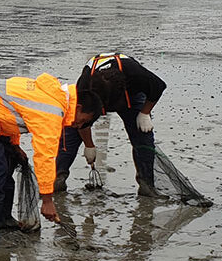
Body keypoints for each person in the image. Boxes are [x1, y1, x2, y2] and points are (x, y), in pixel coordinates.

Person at [0, 74, 103, 246]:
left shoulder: (55, 97)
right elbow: (45, 156)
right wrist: (47, 200)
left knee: (7, 168)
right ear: (78, 108)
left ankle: (3, 220)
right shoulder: (52, 111)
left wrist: (14, 145)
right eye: (83, 121)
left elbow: (12, 113)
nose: (78, 126)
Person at [53, 52, 168, 196]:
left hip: (130, 98)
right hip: (93, 97)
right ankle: (58, 178)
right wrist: (89, 145)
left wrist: (145, 113)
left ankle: (146, 184)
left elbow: (158, 87)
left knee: (142, 135)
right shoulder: (84, 85)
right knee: (72, 128)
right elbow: (80, 120)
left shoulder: (135, 74)